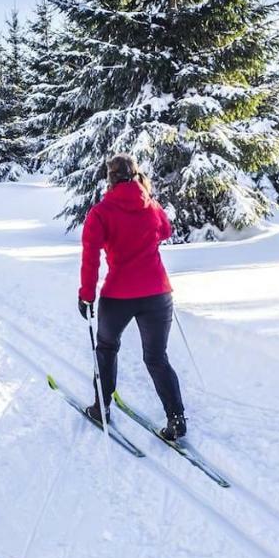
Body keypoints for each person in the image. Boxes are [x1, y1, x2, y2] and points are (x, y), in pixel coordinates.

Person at [77, 153, 187, 440]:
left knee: (106, 348)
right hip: (157, 294)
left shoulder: (101, 212)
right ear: (136, 175)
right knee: (156, 358)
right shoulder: (150, 204)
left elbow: (91, 258)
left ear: (110, 178)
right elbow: (166, 230)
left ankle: (102, 408)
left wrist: (86, 295)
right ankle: (176, 418)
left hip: (119, 295)